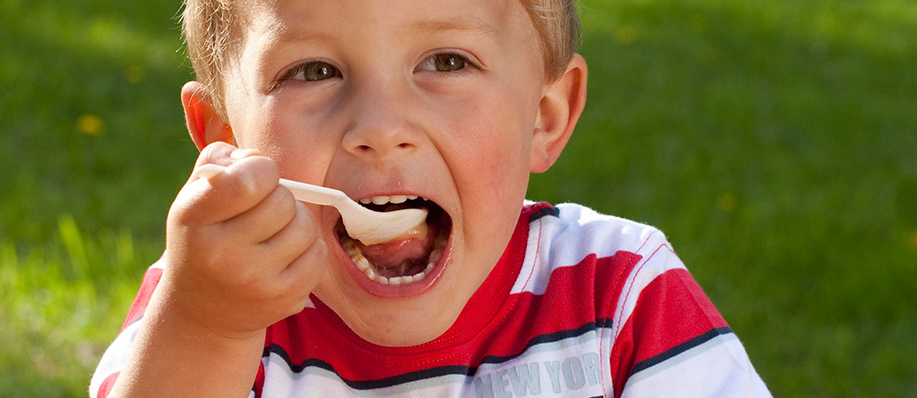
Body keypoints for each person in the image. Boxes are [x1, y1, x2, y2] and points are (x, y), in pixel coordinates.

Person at [91, 0, 771, 396]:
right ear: (227, 137)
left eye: (446, 62)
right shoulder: (211, 307)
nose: (381, 128)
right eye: (313, 71)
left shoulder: (619, 298)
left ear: (544, 115)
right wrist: (209, 328)